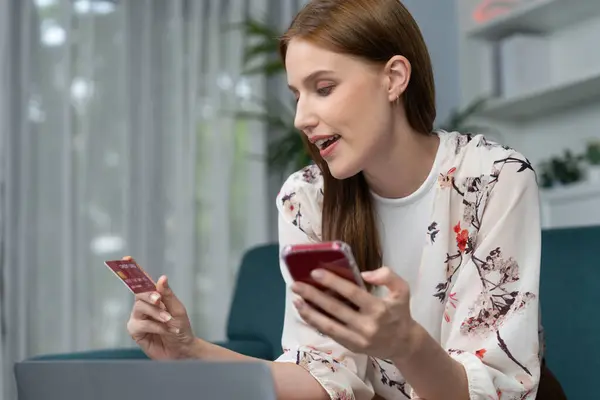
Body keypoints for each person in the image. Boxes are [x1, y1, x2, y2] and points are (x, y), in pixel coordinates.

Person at [127, 0, 564, 399]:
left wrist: (406, 344)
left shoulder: (495, 177)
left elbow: (487, 389)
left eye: (323, 87)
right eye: (297, 95)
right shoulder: (306, 199)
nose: (302, 118)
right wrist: (189, 351)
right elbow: (323, 377)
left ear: (393, 78)